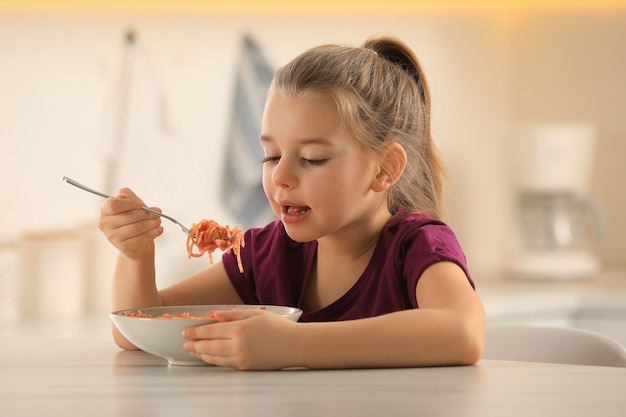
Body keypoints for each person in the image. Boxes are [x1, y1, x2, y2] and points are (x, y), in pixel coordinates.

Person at [99, 35, 486, 371]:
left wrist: (290, 344)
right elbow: (136, 331)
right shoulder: (265, 255)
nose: (279, 176)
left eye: (312, 158)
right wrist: (136, 256)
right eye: (270, 155)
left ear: (384, 168)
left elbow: (463, 332)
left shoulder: (417, 246)